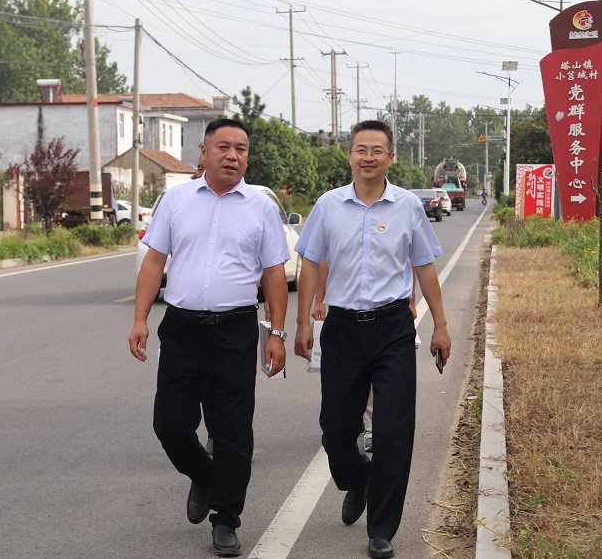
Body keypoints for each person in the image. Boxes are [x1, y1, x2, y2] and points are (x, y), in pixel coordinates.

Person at [129, 118, 290, 557]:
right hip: (181, 329)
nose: (232, 155)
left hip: (234, 331)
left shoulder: (260, 207)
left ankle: (226, 519)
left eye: (241, 149)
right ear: (204, 153)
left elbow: (274, 274)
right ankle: (203, 474)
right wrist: (140, 319)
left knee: (233, 432)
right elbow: (154, 261)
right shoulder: (176, 200)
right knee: (170, 426)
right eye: (223, 147)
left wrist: (276, 333)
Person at [292, 120, 451, 559]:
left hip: (392, 328)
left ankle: (381, 529)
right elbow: (310, 263)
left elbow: (424, 266)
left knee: (394, 432)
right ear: (350, 156)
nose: (368, 157)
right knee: (336, 431)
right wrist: (303, 322)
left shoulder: (408, 207)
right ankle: (357, 477)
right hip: (342, 328)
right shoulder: (328, 205)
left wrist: (439, 324)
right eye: (361, 149)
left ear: (390, 157)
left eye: (377, 150)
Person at [311, 260, 418, 453]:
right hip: (346, 316)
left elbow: (409, 259)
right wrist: (319, 300)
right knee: (346, 393)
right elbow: (326, 259)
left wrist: (411, 300)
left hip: (386, 314)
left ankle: (372, 426)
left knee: (382, 377)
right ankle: (357, 422)